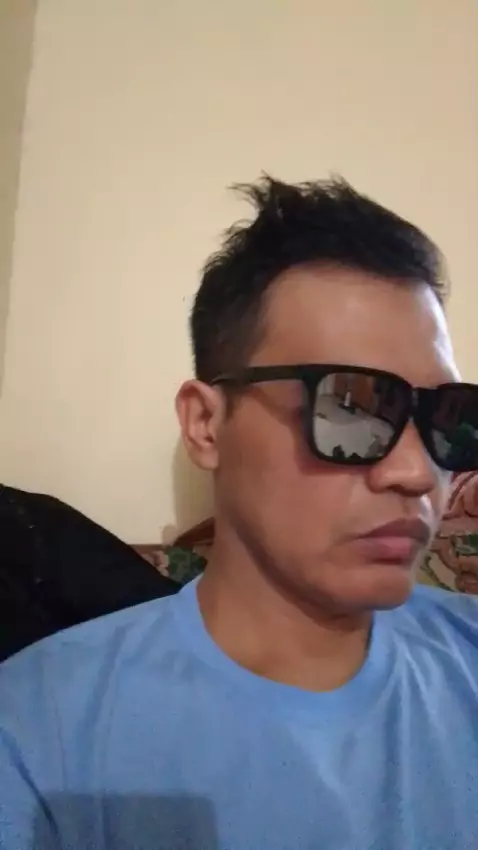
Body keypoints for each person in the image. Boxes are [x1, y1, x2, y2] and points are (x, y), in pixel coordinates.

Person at [1, 176, 478, 850]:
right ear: (206, 424)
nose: (416, 473)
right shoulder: (38, 730)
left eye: (448, 417)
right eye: (349, 407)